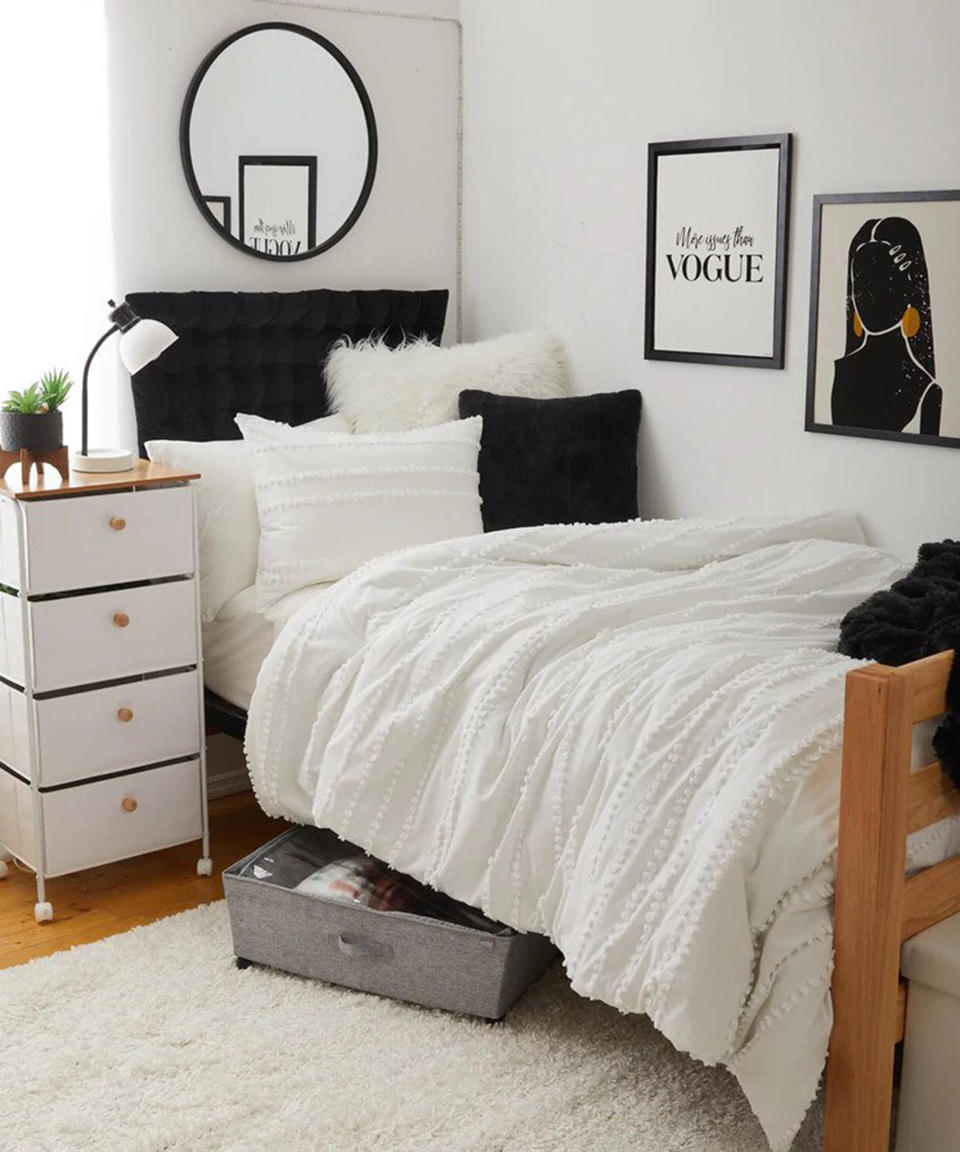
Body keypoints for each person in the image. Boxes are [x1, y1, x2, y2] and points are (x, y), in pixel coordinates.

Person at [831, 216, 941, 436]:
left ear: (909, 293)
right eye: (862, 285)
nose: (870, 297)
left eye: (884, 283)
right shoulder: (842, 372)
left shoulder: (925, 389)